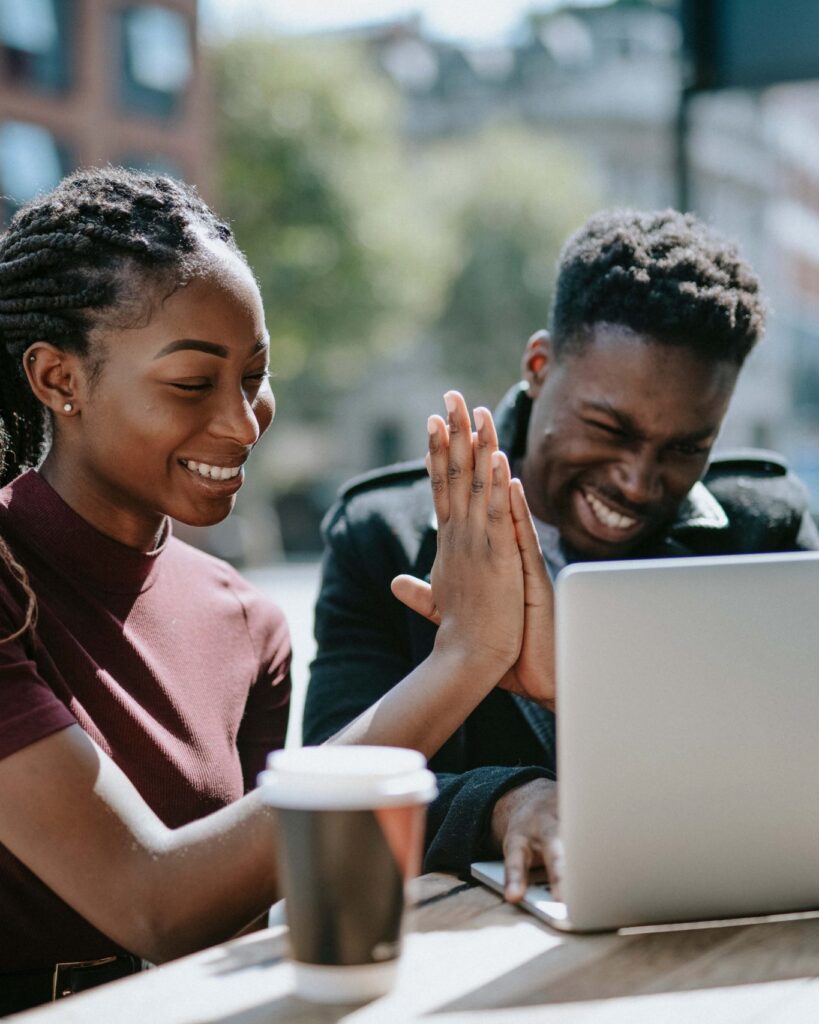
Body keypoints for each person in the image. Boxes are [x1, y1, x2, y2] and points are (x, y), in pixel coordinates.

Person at [0, 167, 542, 1014]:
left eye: (254, 376)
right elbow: (156, 903)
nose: (241, 422)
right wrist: (464, 659)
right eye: (192, 383)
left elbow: (241, 932)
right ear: (57, 379)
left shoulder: (248, 624)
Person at [303, 208, 819, 901]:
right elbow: (331, 785)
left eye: (684, 448)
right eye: (608, 428)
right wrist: (502, 802)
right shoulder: (383, 538)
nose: (637, 481)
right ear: (540, 366)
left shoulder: (765, 531)